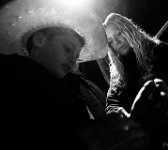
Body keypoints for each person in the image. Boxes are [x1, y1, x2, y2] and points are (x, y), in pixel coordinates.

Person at [0, 1, 153, 150]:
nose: (73, 63)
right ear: (40, 40)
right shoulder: (14, 76)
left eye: (76, 56)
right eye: (67, 49)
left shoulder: (59, 87)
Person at [102, 13, 168, 149]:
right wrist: (124, 115)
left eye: (119, 33)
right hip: (148, 141)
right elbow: (111, 104)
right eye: (110, 41)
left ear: (128, 29)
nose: (117, 42)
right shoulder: (117, 74)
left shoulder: (158, 51)